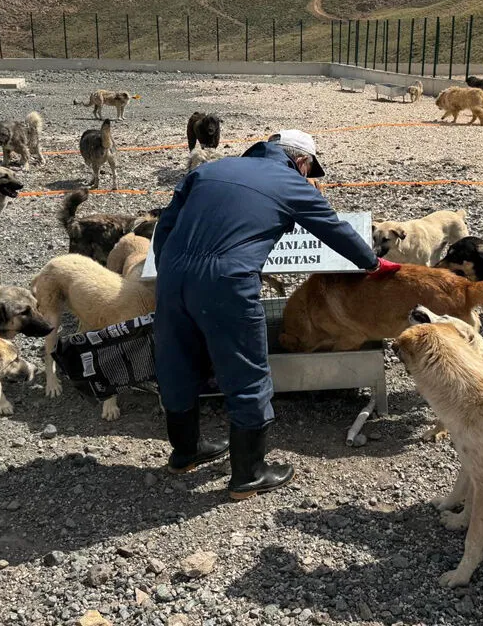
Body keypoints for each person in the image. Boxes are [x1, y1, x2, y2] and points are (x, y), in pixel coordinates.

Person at [152, 129, 400, 499]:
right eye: (308, 171)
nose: (307, 177)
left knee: (177, 360)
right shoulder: (290, 182)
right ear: (301, 162)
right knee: (245, 371)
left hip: (172, 275)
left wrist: (171, 268)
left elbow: (166, 225)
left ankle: (185, 452)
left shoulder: (210, 170)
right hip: (227, 280)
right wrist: (372, 263)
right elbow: (334, 229)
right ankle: (249, 474)